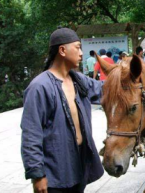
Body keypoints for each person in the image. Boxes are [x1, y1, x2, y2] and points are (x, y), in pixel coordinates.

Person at [21, 27, 105, 193]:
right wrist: (37, 175)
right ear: (62, 50)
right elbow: (31, 134)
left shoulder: (77, 79)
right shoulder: (40, 87)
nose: (81, 53)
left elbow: (105, 90)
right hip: (54, 172)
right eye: (77, 47)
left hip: (78, 163)